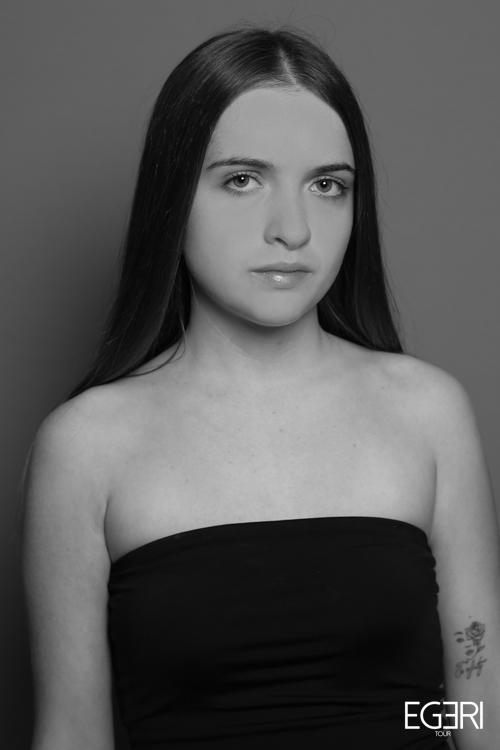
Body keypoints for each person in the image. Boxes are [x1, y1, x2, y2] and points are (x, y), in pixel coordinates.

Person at [22, 26, 500, 750]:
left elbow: (479, 707)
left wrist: (404, 723)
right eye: (243, 180)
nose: (293, 230)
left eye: (328, 186)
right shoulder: (86, 445)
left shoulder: (427, 411)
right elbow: (73, 733)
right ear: (173, 196)